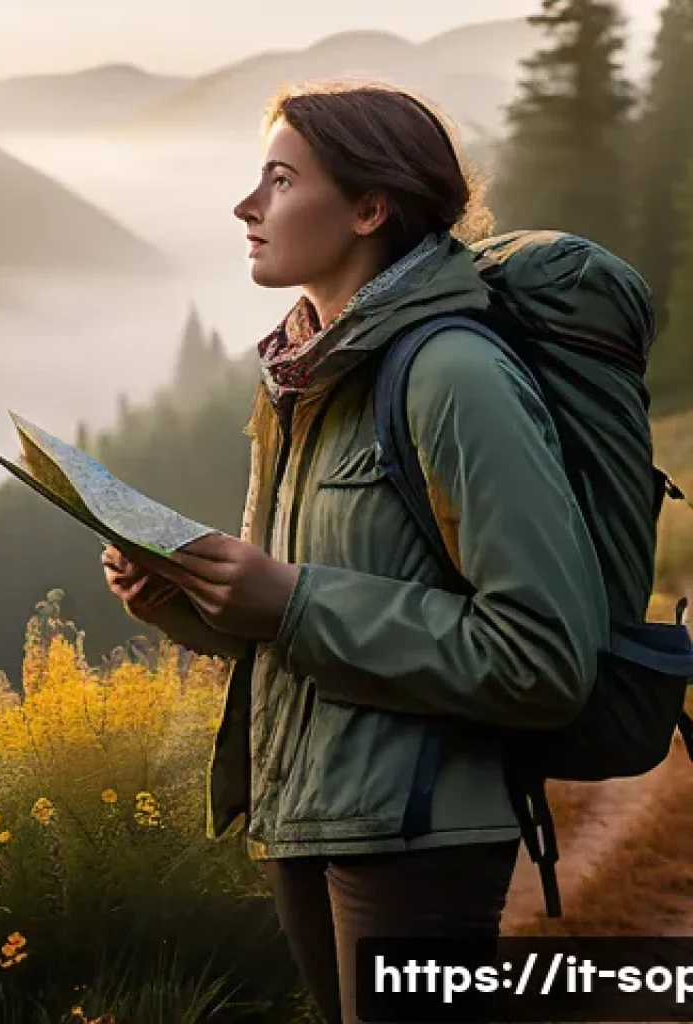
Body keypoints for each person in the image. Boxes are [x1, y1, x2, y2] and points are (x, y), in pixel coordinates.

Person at [101, 80, 609, 1024]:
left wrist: (291, 601)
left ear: (370, 208)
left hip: (416, 836)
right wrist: (184, 599)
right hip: (304, 816)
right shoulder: (304, 376)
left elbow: (545, 654)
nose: (247, 206)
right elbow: (299, 619)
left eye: (282, 179)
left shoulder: (456, 375)